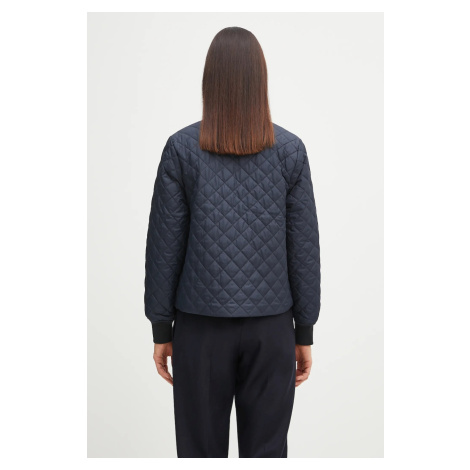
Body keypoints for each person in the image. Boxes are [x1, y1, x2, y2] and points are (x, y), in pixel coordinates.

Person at [144, 26, 321, 458]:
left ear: (210, 80)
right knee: (267, 455)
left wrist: (162, 327)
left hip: (199, 330)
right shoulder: (290, 151)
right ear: (260, 79)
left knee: (200, 455)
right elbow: (304, 249)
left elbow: (164, 247)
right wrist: (304, 330)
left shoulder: (181, 149)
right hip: (272, 330)